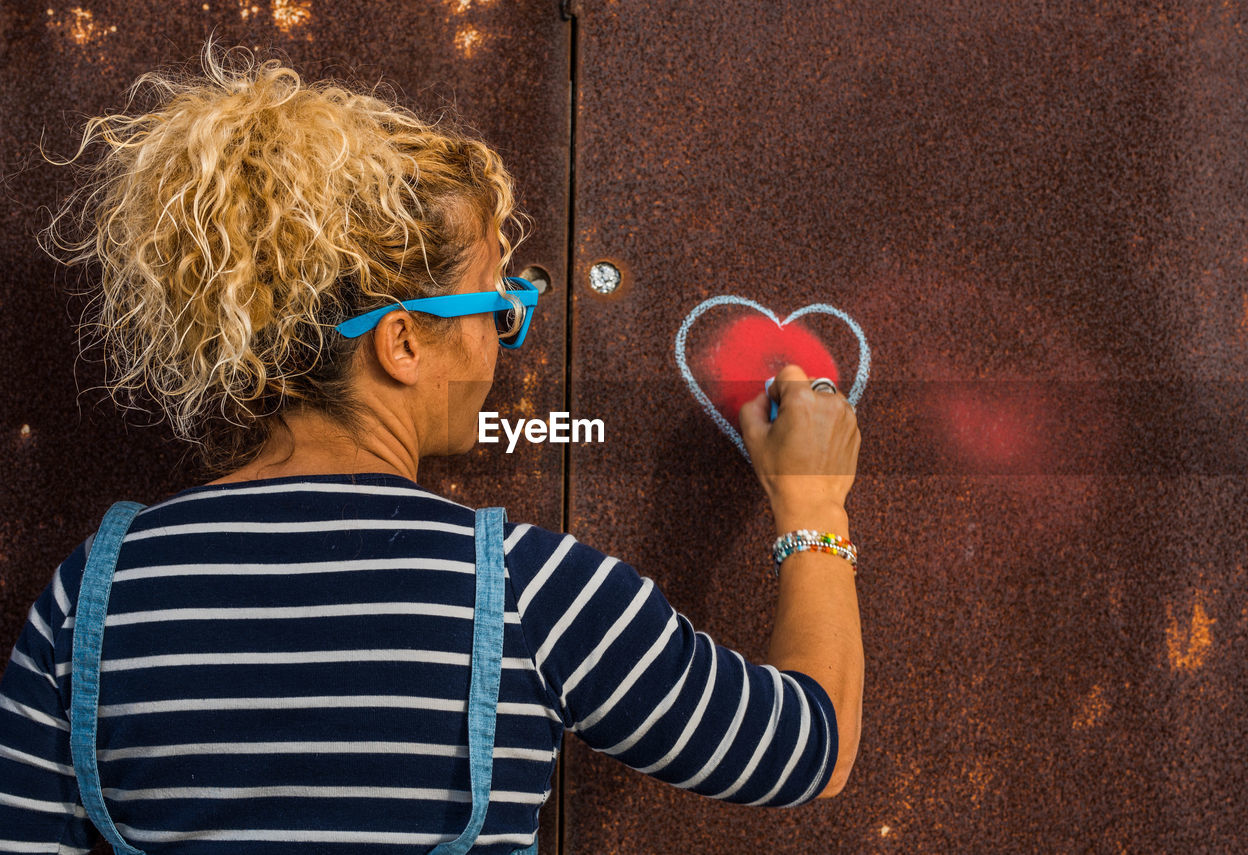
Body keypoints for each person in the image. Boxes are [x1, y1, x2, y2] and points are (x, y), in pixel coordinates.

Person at [0, 43, 863, 854]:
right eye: (494, 304)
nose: (502, 341)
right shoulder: (529, 590)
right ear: (403, 343)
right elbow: (806, 749)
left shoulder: (91, 598)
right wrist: (813, 506)